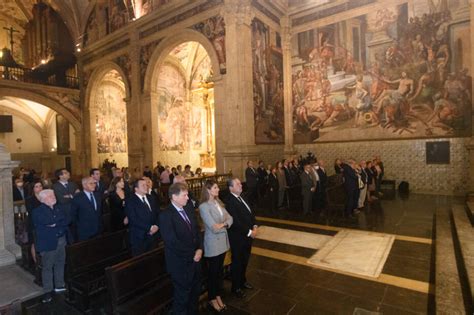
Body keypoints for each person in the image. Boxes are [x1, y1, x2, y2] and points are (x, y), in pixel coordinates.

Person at [160, 183, 203, 315]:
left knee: (195, 294)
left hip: (195, 260)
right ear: (174, 196)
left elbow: (197, 230)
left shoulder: (188, 209)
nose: (188, 198)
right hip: (180, 264)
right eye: (184, 195)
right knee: (182, 298)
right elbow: (172, 242)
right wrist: (193, 254)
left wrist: (200, 249)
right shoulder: (166, 215)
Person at [199, 180, 233, 312]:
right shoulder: (204, 206)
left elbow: (231, 218)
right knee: (213, 274)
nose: (218, 189)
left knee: (219, 273)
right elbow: (213, 227)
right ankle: (212, 299)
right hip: (213, 244)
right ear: (208, 190)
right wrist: (224, 224)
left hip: (223, 243)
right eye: (215, 187)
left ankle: (217, 295)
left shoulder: (219, 203)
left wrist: (223, 224)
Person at [32, 189, 69, 303]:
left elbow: (66, 220)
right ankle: (47, 291)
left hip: (61, 240)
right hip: (48, 242)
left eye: (53, 195)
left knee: (60, 263)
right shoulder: (37, 211)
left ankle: (59, 284)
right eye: (50, 196)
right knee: (48, 267)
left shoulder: (58, 208)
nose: (53, 197)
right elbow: (47, 221)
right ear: (43, 199)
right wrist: (57, 222)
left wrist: (54, 224)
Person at [225, 178, 256, 298]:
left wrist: (255, 225)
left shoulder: (243, 197)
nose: (240, 185)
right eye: (237, 184)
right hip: (238, 237)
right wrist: (249, 232)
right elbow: (235, 222)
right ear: (231, 188)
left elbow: (251, 213)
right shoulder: (230, 201)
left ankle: (243, 281)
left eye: (240, 183)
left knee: (245, 260)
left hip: (248, 235)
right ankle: (236, 287)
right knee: (237, 262)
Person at [125, 178, 160, 256]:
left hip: (154, 235)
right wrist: (150, 227)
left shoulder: (151, 198)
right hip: (139, 237)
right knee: (141, 263)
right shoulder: (130, 201)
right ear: (136, 189)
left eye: (146, 185)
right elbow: (133, 219)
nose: (146, 186)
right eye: (143, 185)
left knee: (154, 260)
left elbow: (158, 213)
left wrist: (157, 226)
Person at [71, 177, 103, 242]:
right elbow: (73, 215)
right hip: (84, 231)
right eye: (91, 183)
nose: (94, 185)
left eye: (94, 183)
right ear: (84, 185)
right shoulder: (77, 197)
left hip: (98, 229)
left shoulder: (97, 195)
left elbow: (99, 212)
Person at [52, 168, 79, 243]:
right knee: (68, 234)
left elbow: (79, 195)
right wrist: (73, 195)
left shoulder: (73, 184)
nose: (68, 173)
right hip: (64, 212)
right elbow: (62, 200)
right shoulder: (55, 186)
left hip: (75, 210)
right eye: (66, 172)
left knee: (76, 231)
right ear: (60, 176)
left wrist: (69, 196)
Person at [25, 180, 43, 262]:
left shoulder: (45, 196)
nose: (39, 188)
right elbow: (31, 211)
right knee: (34, 242)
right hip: (34, 223)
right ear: (32, 189)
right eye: (36, 186)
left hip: (44, 222)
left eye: (40, 186)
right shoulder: (29, 199)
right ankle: (36, 262)